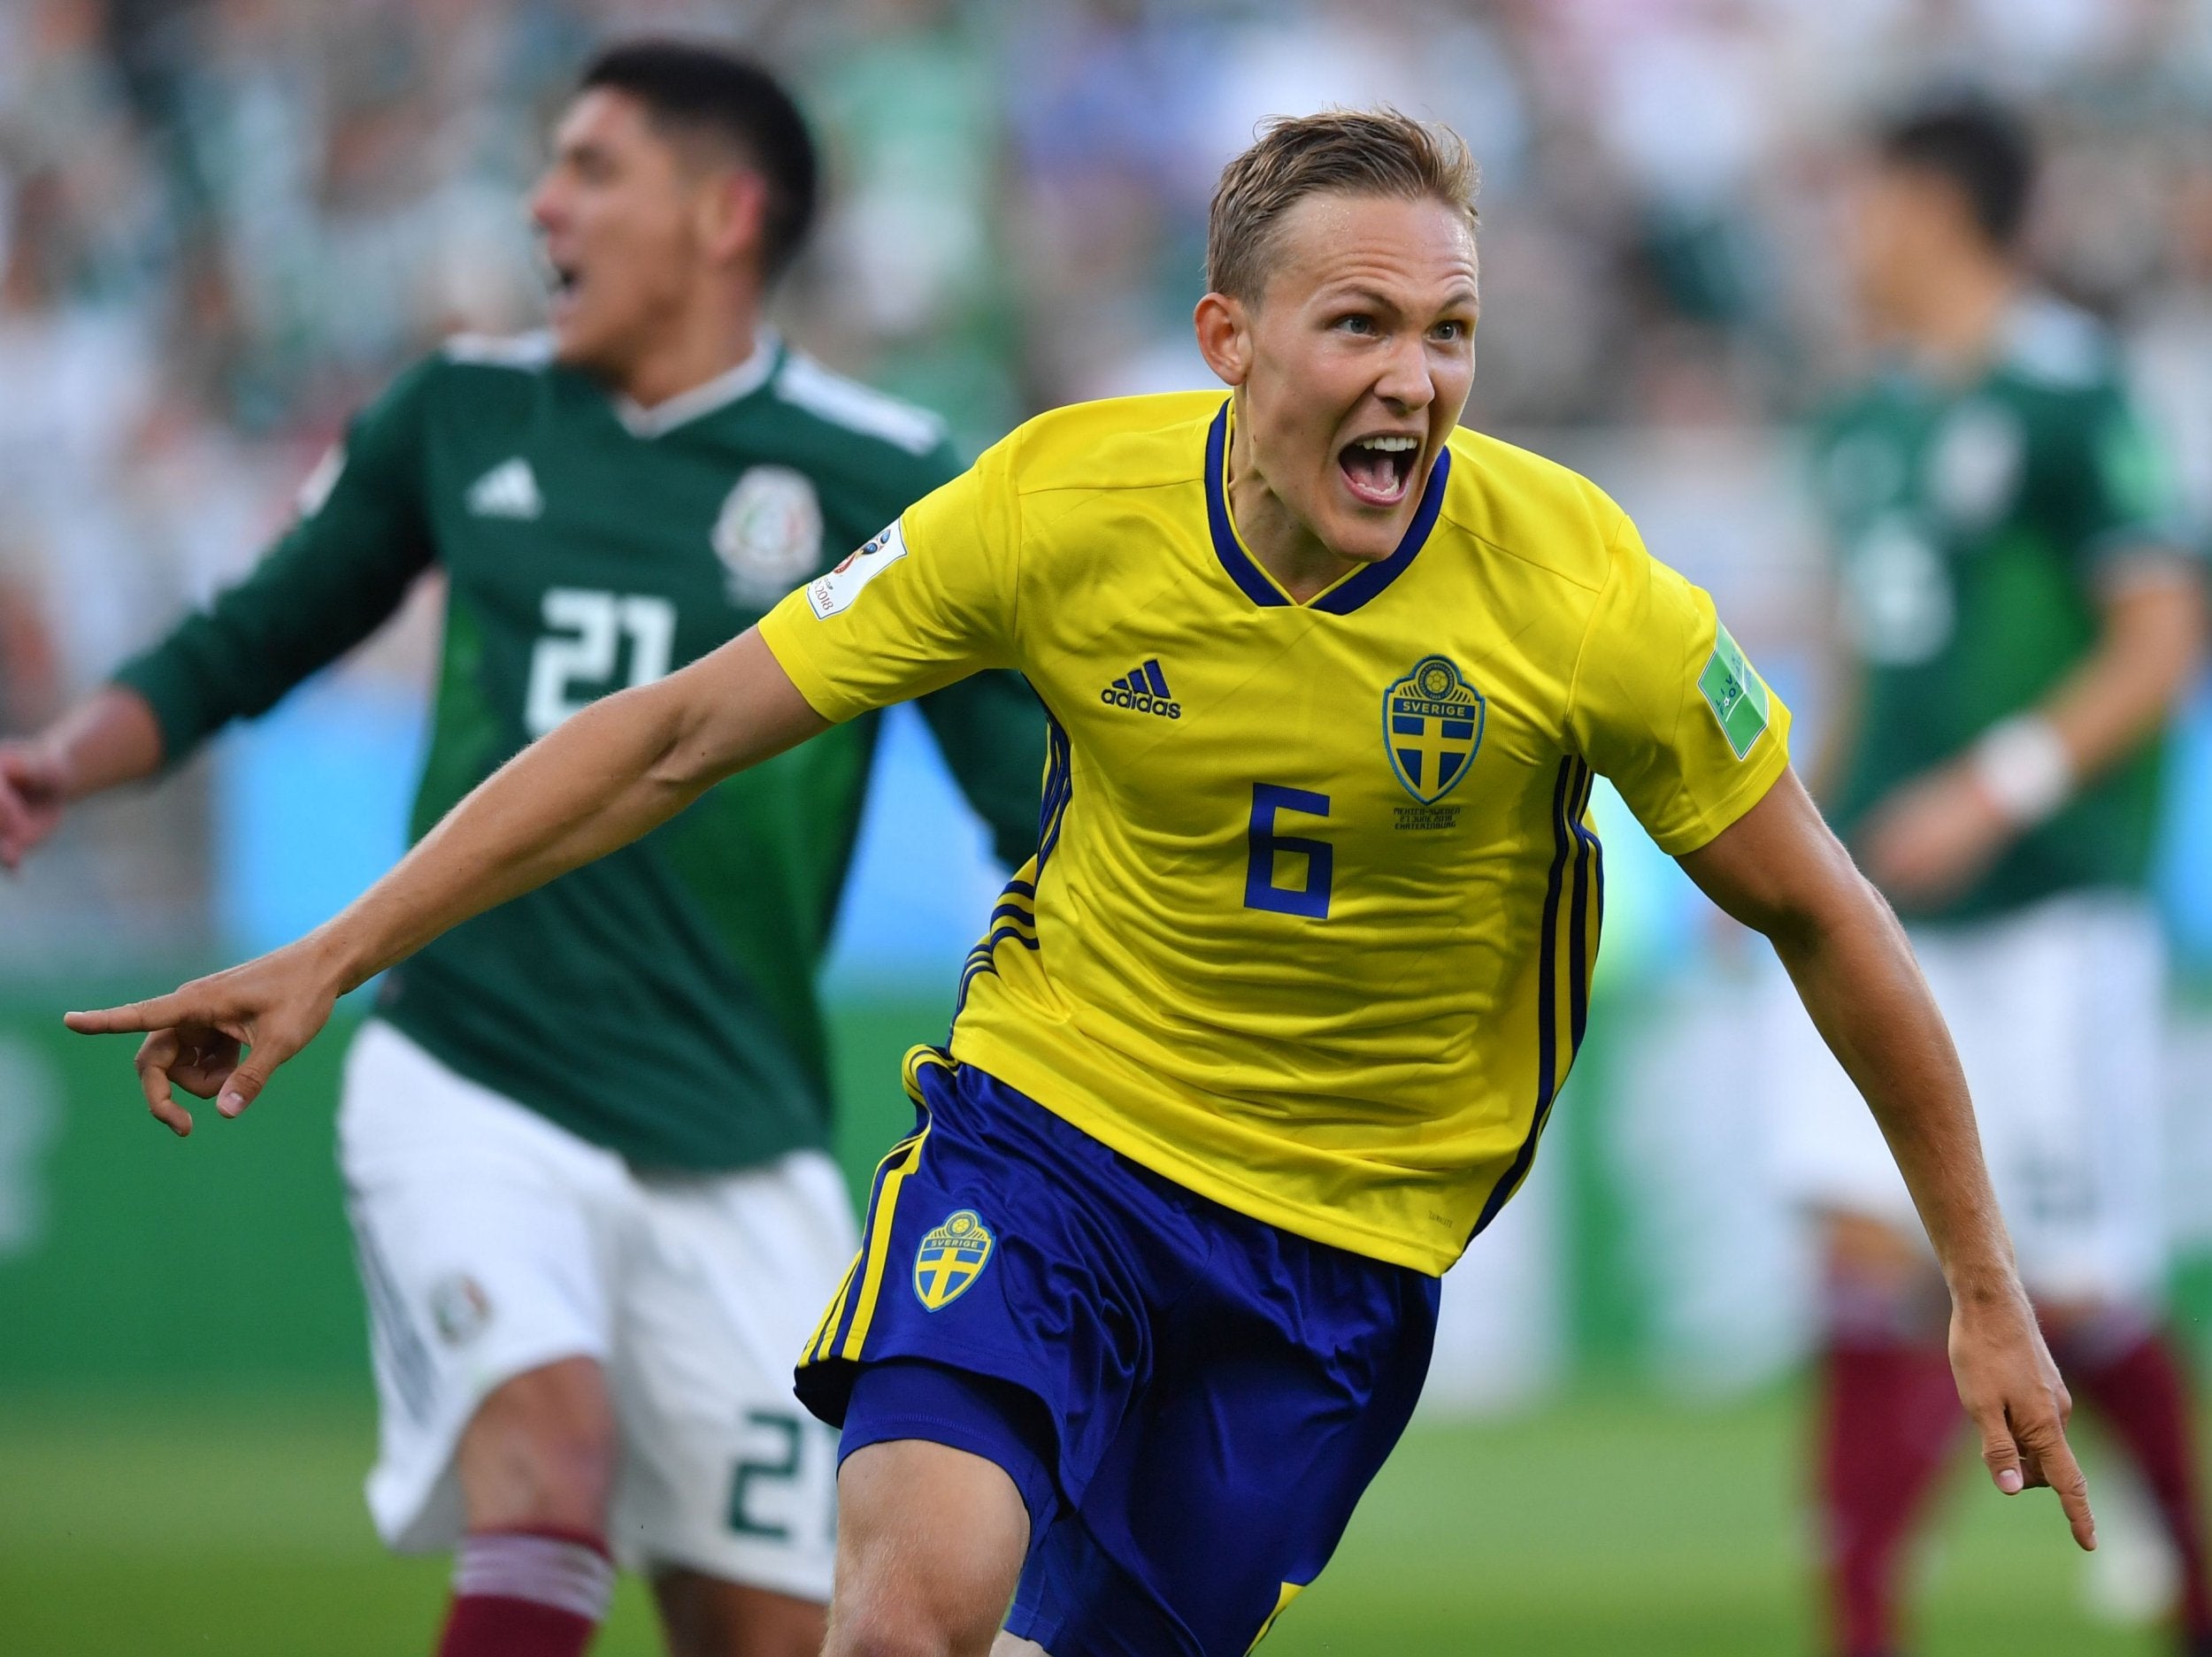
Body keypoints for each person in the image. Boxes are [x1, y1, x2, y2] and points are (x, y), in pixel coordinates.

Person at [65, 109, 2093, 1657]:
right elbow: (680, 732)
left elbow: (1822, 912)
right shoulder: (1052, 508)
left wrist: (1981, 1286)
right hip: (1050, 1143)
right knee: (906, 1606)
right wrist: (336, 954)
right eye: (1359, 323)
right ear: (1227, 340)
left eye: (1450, 330)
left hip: (1333, 1245)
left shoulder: (1583, 593)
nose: (1414, 378)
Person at [3, 40, 1043, 1657]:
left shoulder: (884, 477)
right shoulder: (458, 413)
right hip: (474, 1071)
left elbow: (1026, 805)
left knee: (776, 1631)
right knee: (549, 1471)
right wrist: (60, 758)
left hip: (738, 1125)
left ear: (725, 214)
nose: (542, 202)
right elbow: (253, 636)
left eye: (591, 168)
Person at [1769, 97, 2209, 1657]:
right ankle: (1866, 1628)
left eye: (1866, 201)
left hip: (2045, 918)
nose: (1849, 235)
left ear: (1933, 207)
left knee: (2075, 1295)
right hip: (1884, 918)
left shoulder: (2070, 394)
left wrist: (1995, 784)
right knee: (1855, 1250)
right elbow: (1857, 664)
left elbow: (2162, 637)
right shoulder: (1867, 423)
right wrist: (1782, 835)